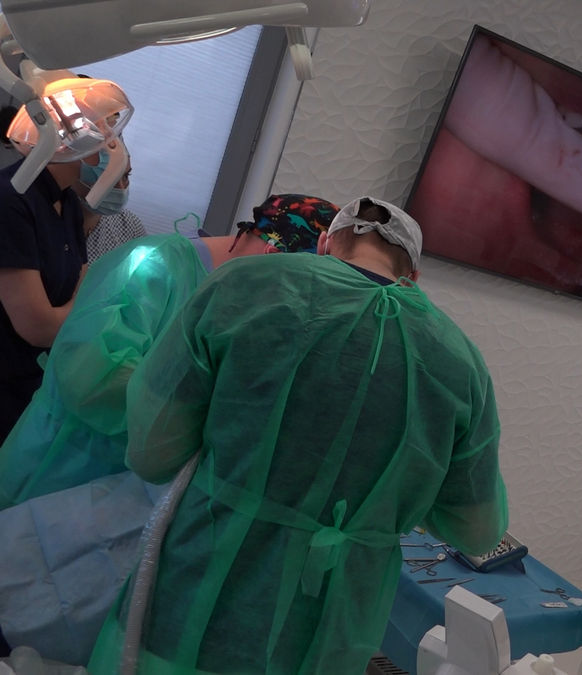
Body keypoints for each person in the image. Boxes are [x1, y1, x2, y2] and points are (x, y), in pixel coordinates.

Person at [87, 196, 508, 674]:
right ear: (413, 276)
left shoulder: (243, 287)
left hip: (200, 588)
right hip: (327, 626)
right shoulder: (457, 361)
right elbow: (476, 531)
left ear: (325, 243)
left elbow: (154, 450)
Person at [0, 193, 340, 509]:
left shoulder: (241, 302)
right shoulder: (152, 265)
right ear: (274, 257)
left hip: (127, 497)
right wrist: (201, 409)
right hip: (57, 471)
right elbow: (90, 381)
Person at [0, 109, 90, 439]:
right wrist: (78, 306)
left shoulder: (67, 204)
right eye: (107, 135)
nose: (114, 147)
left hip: (35, 386)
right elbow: (39, 328)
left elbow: (83, 280)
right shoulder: (11, 199)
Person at [77, 147, 147, 262]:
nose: (121, 188)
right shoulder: (50, 222)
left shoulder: (129, 226)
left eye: (125, 176)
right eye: (109, 178)